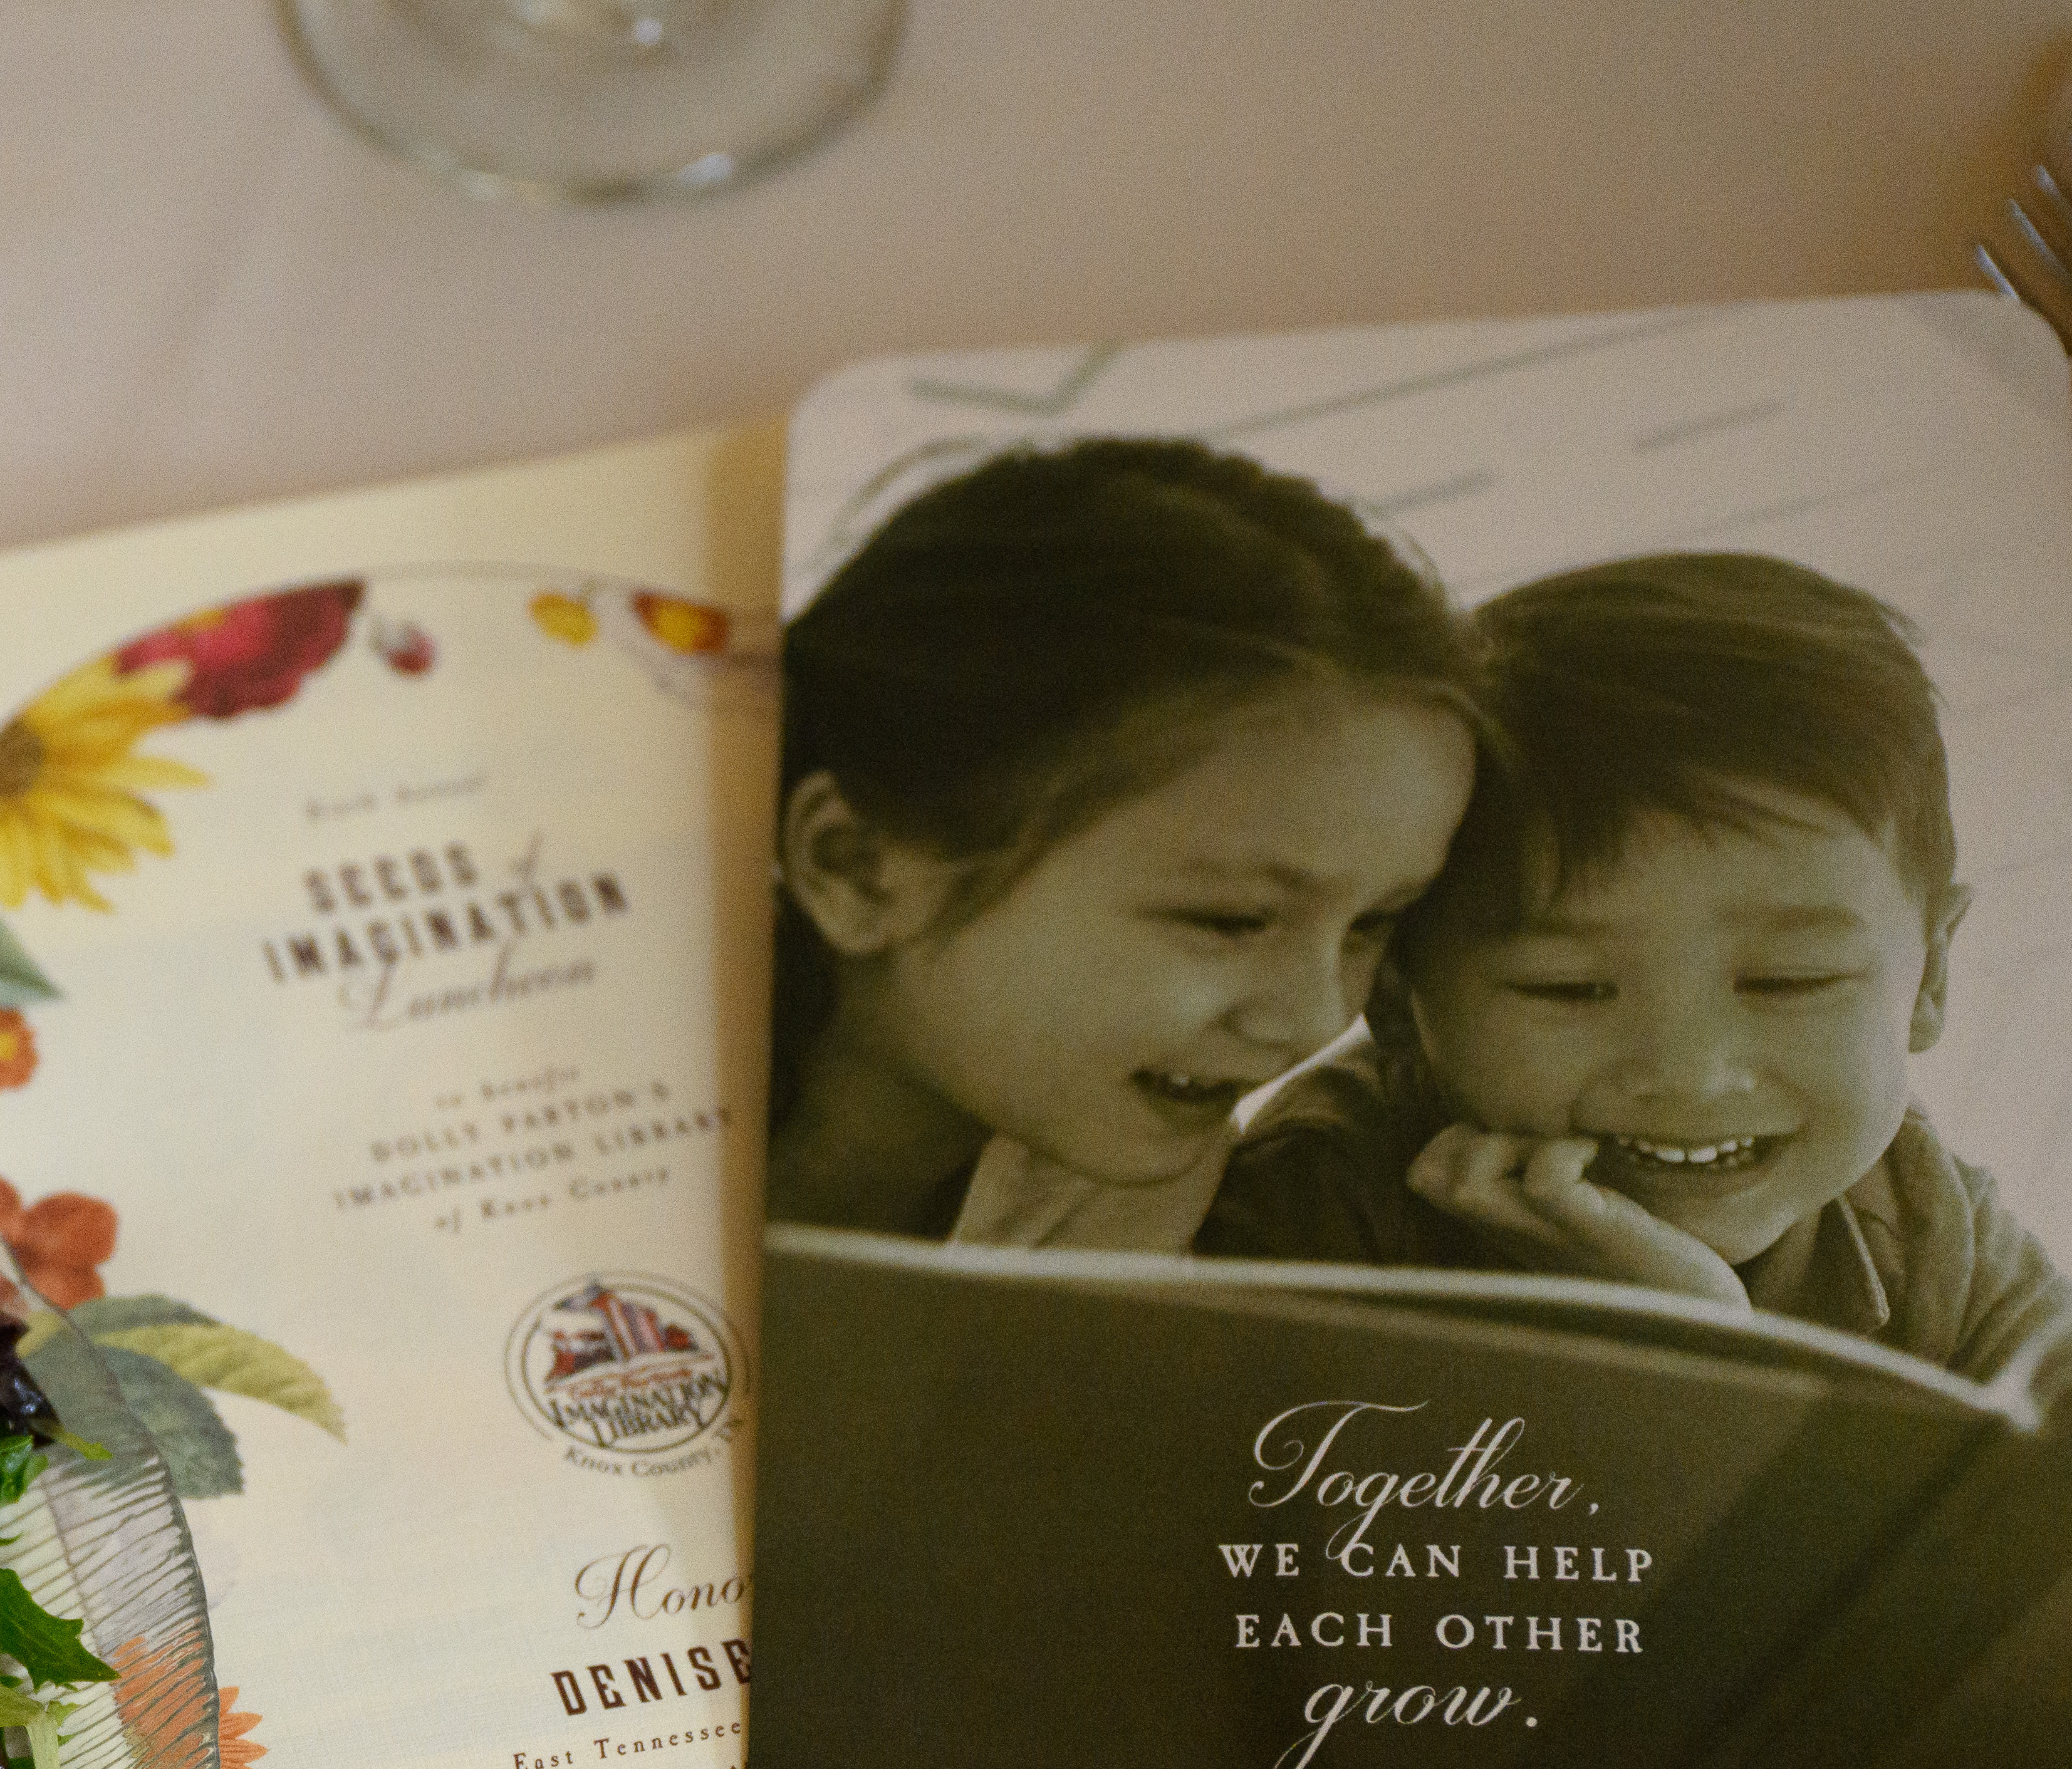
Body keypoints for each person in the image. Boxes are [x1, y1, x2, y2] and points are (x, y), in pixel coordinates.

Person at [1203, 552, 2068, 1386]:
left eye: (1789, 980)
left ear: (1931, 979)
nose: (1692, 1074)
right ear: (1395, 994)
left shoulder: (1930, 1225)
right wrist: (1676, 1368)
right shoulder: (1307, 1218)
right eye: (1570, 989)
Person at [768, 437, 1480, 1247]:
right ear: (859, 870)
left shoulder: (1121, 1176)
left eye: (1371, 925)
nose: (1312, 1016)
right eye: (1232, 920)